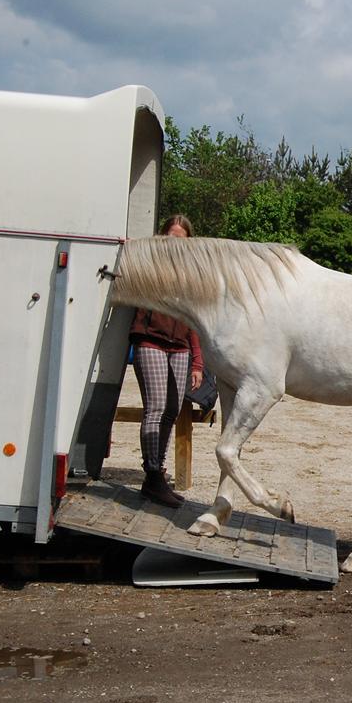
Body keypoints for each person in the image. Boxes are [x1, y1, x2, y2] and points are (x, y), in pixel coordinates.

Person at [130, 214, 204, 508]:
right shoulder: (149, 263)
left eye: (180, 239)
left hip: (180, 346)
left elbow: (193, 320)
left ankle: (156, 476)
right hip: (150, 340)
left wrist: (198, 362)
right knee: (156, 406)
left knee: (172, 409)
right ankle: (152, 473)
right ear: (162, 237)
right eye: (170, 236)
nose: (175, 243)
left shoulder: (191, 275)